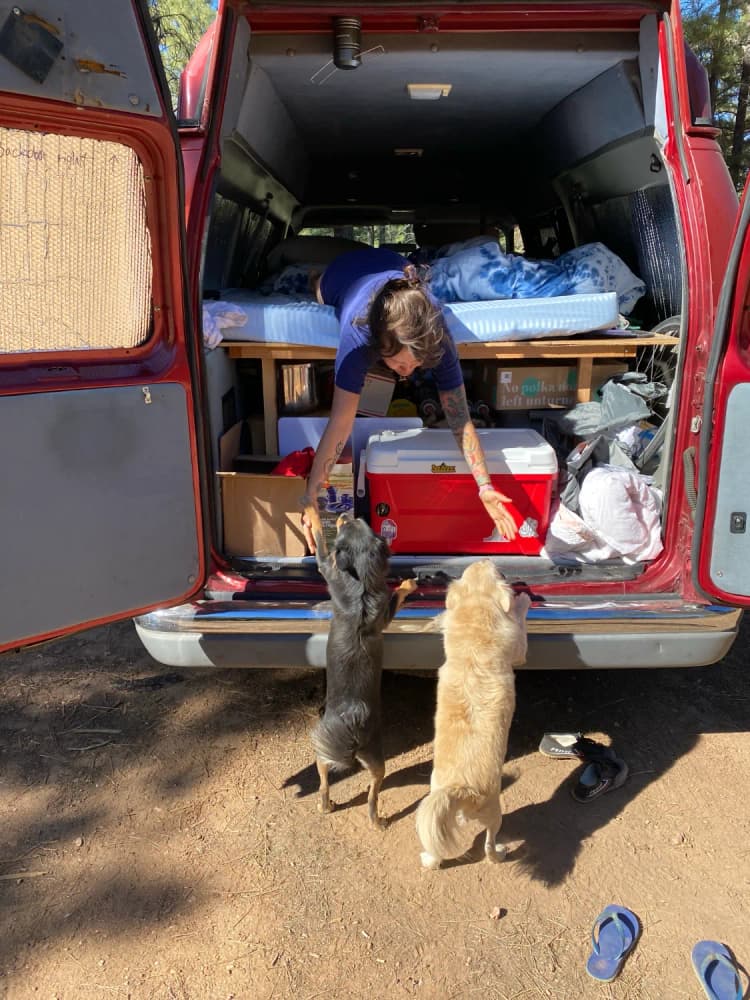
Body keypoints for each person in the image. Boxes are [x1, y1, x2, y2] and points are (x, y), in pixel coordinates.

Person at [300, 246, 517, 551]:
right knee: (319, 289)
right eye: (402, 364)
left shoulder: (437, 333)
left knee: (406, 273)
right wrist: (311, 495)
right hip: (342, 273)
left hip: (395, 266)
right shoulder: (357, 339)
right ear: (379, 344)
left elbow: (459, 418)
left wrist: (485, 485)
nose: (408, 372)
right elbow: (341, 422)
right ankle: (315, 276)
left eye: (417, 365)